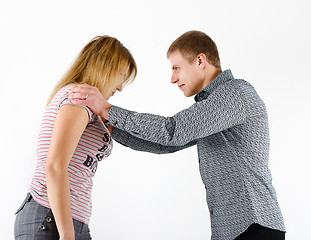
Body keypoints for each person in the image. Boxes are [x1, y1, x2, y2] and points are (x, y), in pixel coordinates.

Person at [69, 30, 286, 240]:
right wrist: (111, 126)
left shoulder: (234, 93)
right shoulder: (212, 107)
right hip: (235, 231)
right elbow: (166, 145)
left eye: (176, 68)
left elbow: (173, 131)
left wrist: (108, 109)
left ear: (200, 61)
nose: (173, 78)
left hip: (254, 226)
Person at [14, 35, 137, 240]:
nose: (120, 88)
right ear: (104, 68)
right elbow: (54, 165)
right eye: (121, 76)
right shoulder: (78, 98)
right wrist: (67, 235)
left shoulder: (90, 105)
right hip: (50, 218)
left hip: (66, 220)